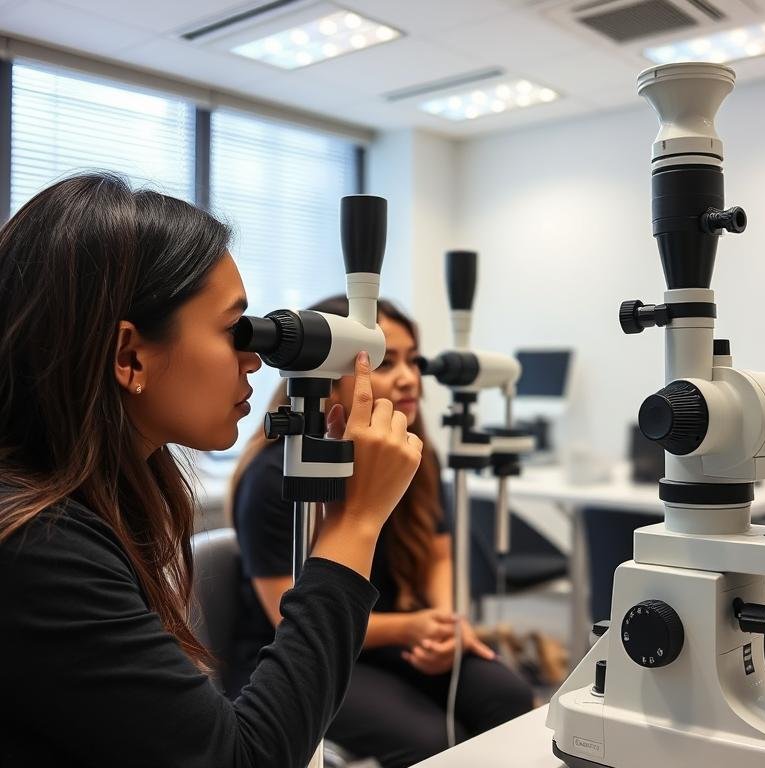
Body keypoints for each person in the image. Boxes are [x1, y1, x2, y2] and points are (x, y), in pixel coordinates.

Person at [0, 173, 422, 767]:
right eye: (234, 330)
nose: (255, 357)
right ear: (130, 355)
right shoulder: (36, 548)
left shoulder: (100, 502)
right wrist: (354, 524)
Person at [230, 295, 534, 768]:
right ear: (326, 371)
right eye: (386, 362)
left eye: (413, 360)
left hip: (393, 637)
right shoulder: (277, 475)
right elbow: (285, 616)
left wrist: (445, 623)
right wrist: (413, 627)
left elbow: (439, 554)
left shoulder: (414, 455)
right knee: (430, 738)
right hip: (301, 653)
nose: (410, 377)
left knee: (508, 695)